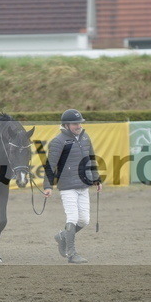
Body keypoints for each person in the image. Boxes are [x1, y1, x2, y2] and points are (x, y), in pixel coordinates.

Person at [42, 109, 101, 264]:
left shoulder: (85, 137)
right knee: (73, 218)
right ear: (66, 125)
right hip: (67, 186)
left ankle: (63, 236)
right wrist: (48, 186)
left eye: (79, 123)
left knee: (84, 220)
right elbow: (50, 165)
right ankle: (71, 253)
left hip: (84, 184)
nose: (79, 126)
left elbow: (91, 159)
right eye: (75, 124)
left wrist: (96, 179)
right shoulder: (58, 141)